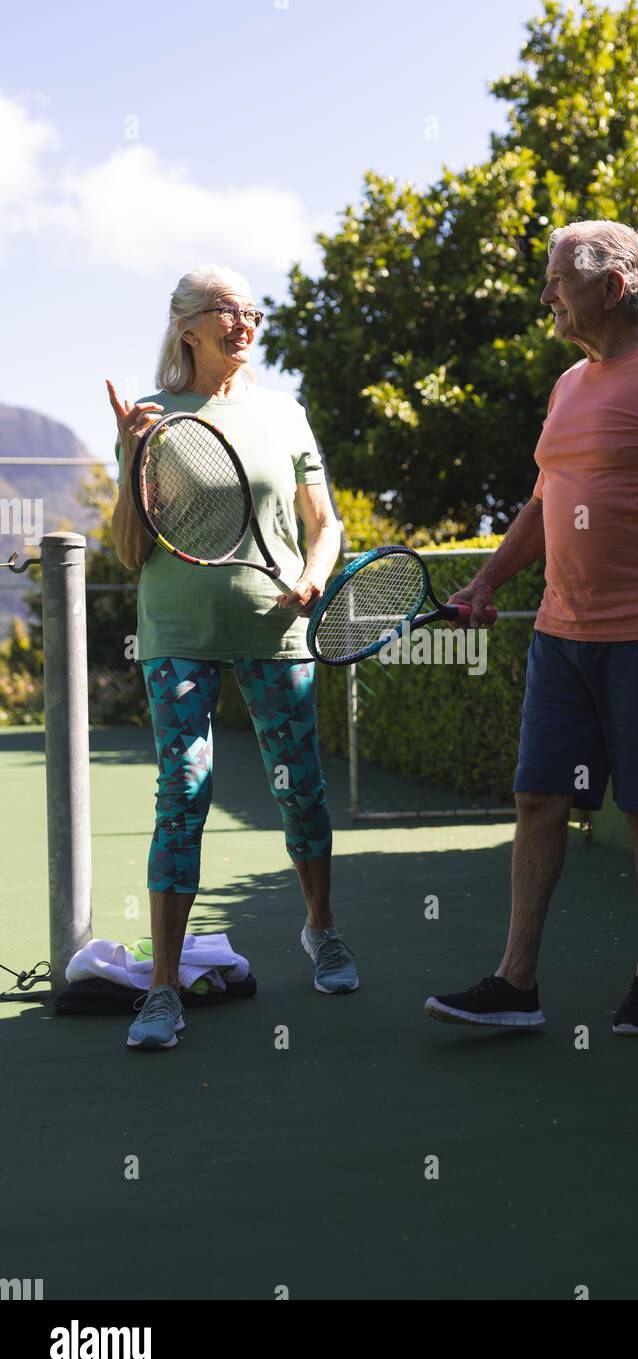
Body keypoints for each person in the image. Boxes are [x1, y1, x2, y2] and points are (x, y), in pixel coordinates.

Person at [425, 220, 638, 1036]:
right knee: (538, 801)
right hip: (559, 638)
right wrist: (485, 579)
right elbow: (546, 505)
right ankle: (516, 984)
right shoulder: (566, 386)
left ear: (610, 288)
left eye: (557, 279)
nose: (546, 294)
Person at [107, 263, 354, 1052]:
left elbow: (325, 524)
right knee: (182, 790)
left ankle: (321, 931)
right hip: (176, 632)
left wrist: (315, 577)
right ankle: (163, 988)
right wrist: (128, 453)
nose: (243, 323)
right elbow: (126, 549)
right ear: (188, 326)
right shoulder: (153, 418)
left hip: (276, 630)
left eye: (251, 310)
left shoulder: (284, 415)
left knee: (302, 787)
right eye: (225, 310)